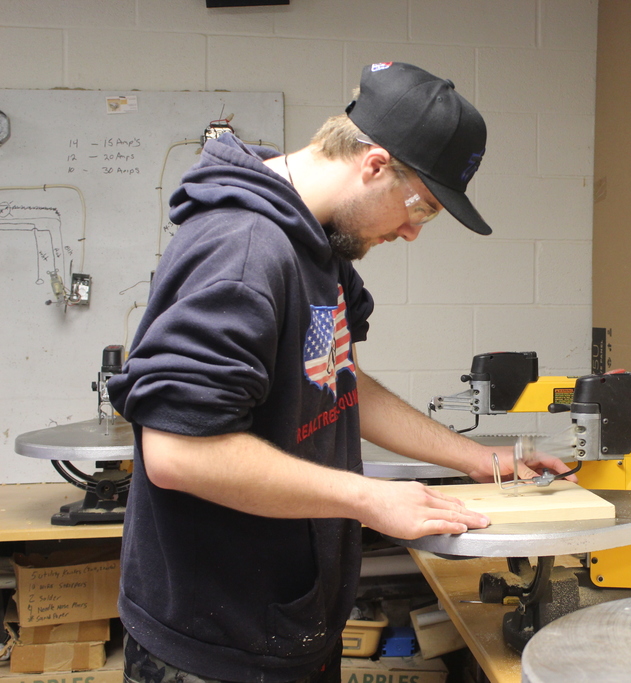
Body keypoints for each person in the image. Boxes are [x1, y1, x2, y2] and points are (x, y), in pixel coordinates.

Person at [108, 62, 573, 683]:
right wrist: (369, 499)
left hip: (287, 620)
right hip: (215, 646)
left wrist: (476, 459)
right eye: (423, 208)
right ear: (376, 164)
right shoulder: (244, 249)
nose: (412, 232)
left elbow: (336, 377)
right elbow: (178, 452)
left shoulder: (317, 244)